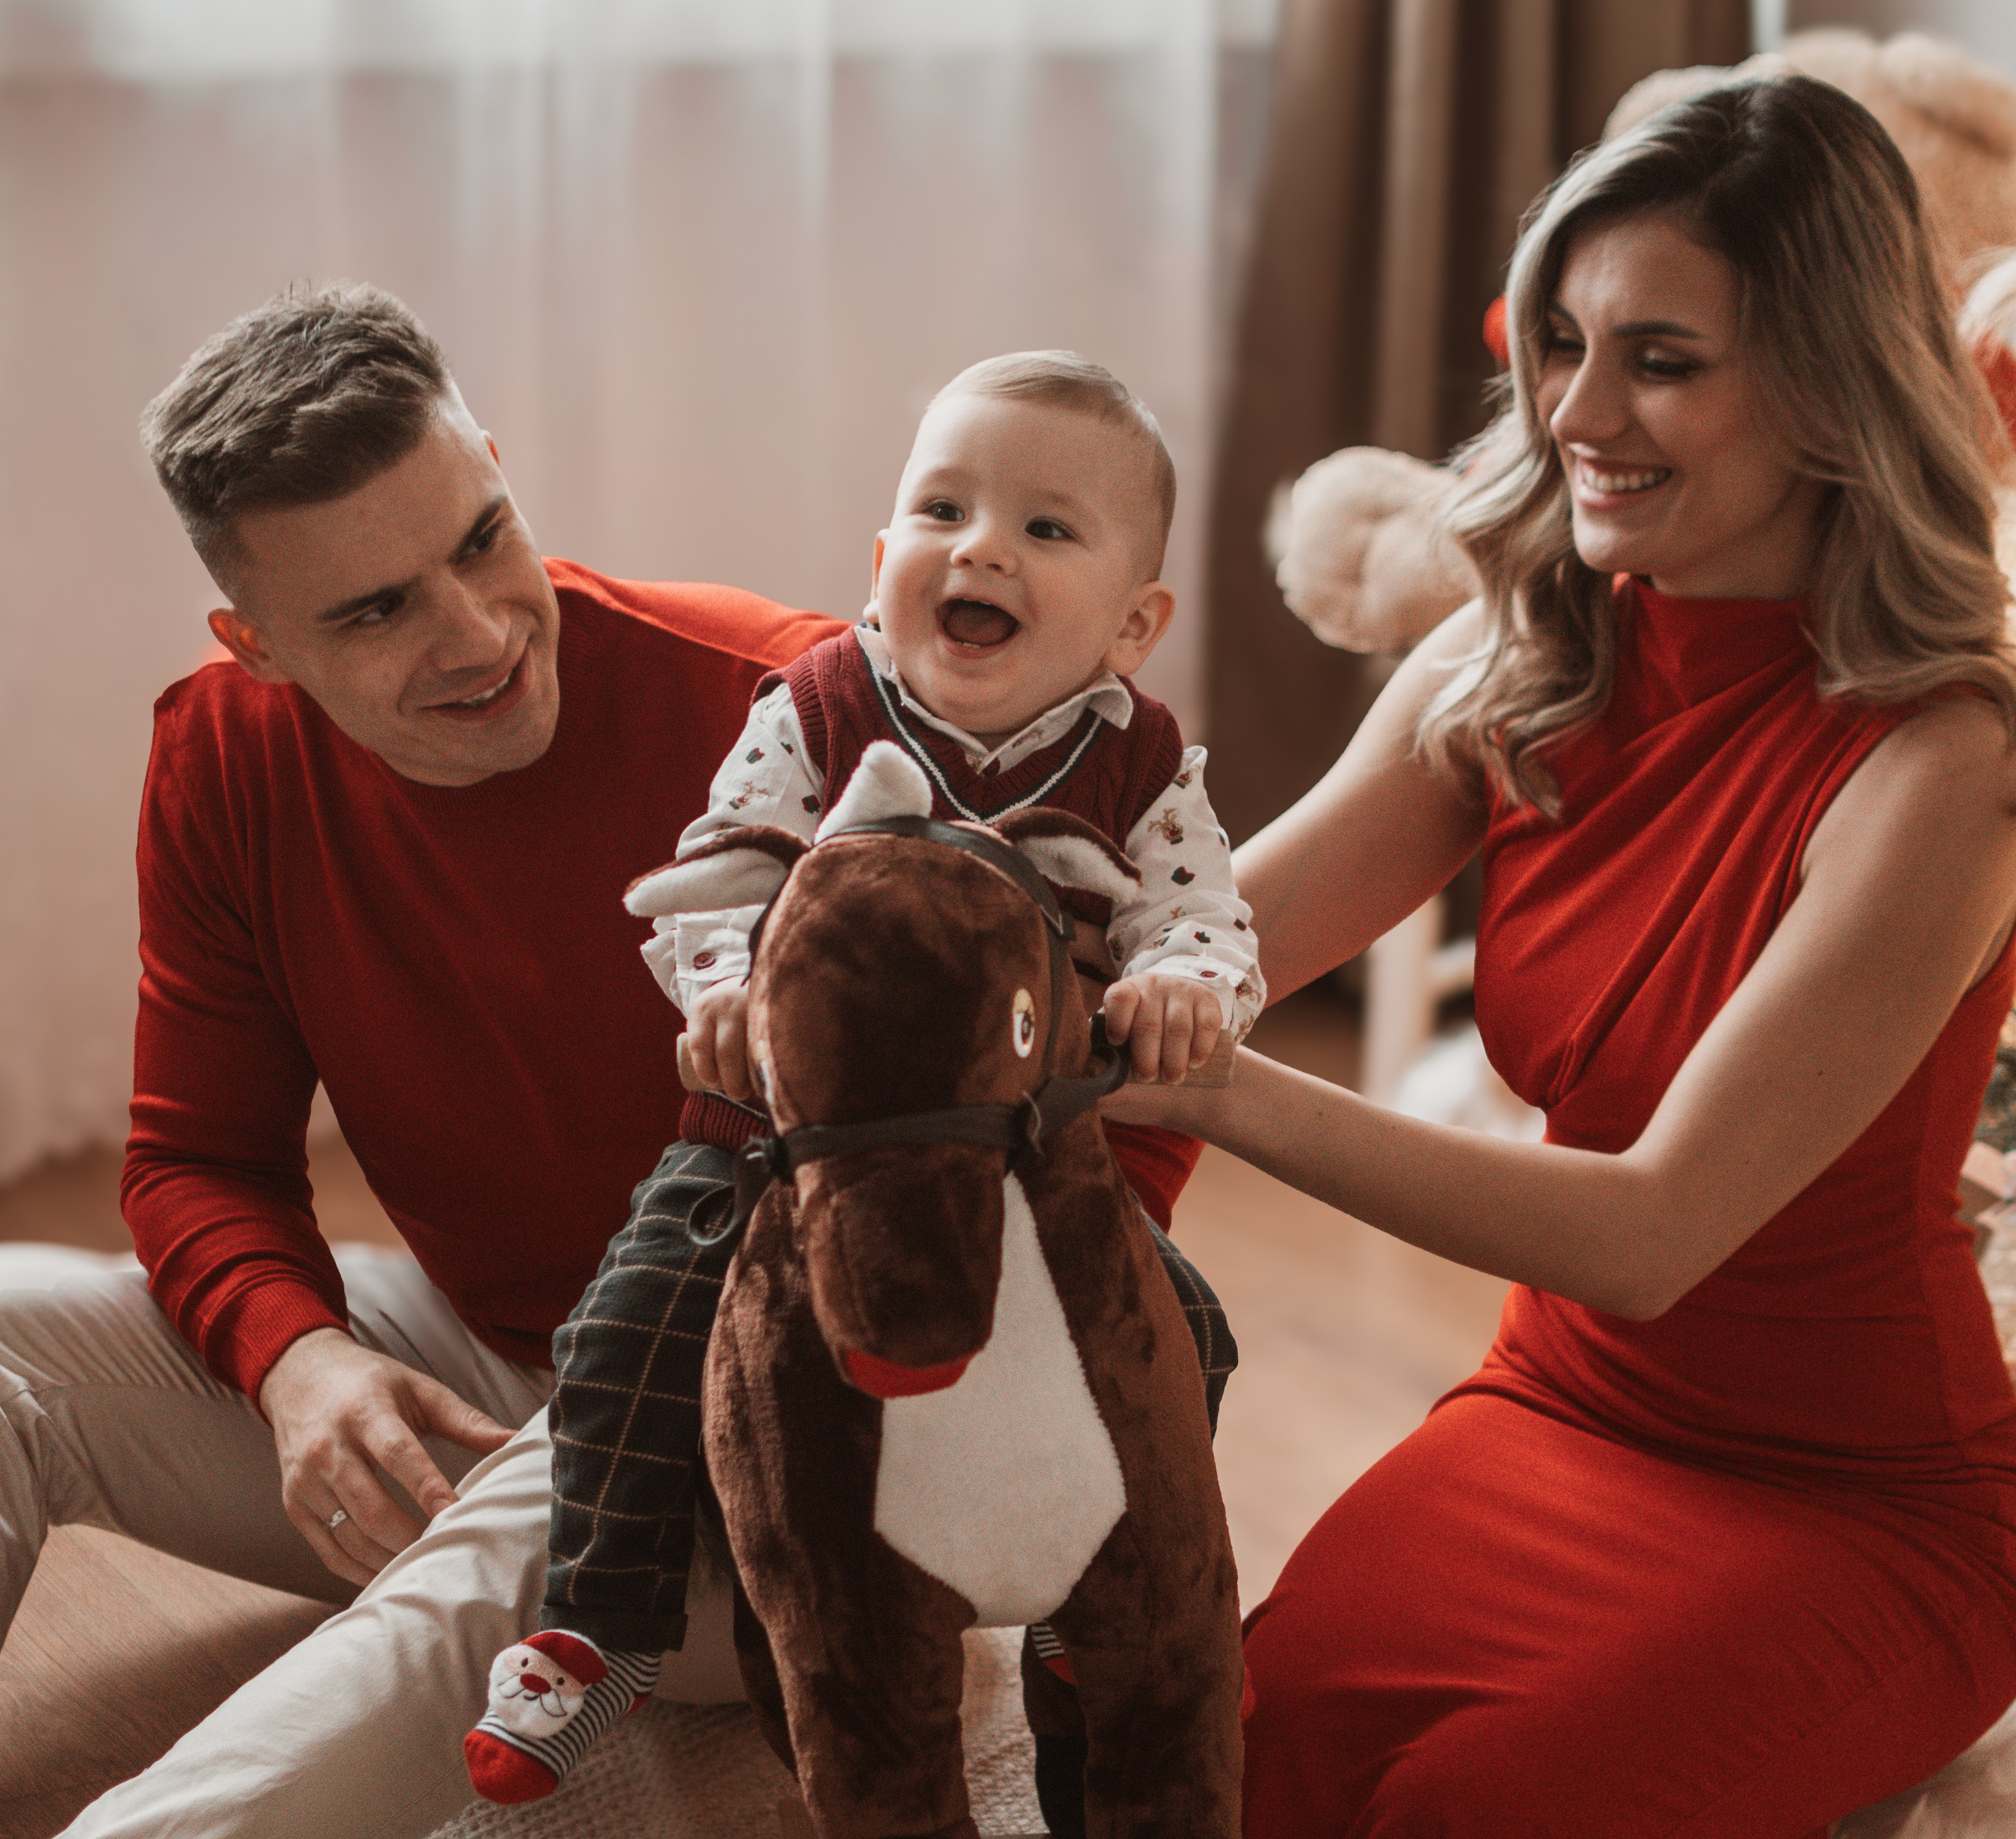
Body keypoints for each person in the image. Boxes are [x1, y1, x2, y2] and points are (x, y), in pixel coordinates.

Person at [1107, 74, 2016, 1835]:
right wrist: (942, 905)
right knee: (1229, 1769)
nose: (1575, 412)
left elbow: (1653, 1230)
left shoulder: (1947, 762)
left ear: (1829, 387)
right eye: (1560, 341)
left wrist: (1211, 1086)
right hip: (1559, 1407)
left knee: (1479, 1810)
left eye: (1661, 359)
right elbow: (1214, 929)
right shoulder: (1522, 652)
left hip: (1861, 1495)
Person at [0, 280, 865, 1838]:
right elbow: (196, 1157)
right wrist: (299, 1359)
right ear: (255, 646)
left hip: (776, 1440)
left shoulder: (786, 712)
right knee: (9, 1332)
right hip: (493, 1361)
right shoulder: (222, 753)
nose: (477, 635)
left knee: (484, 1570)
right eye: (373, 610)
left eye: (480, 537)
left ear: (492, 458)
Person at [461, 352, 1261, 1811]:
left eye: (1046, 529)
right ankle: (600, 1619)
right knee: (629, 1324)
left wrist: (1183, 989)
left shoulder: (1144, 765)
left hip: (1017, 1154)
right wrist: (728, 1002)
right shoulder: (821, 707)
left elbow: (1203, 916)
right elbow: (721, 877)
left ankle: (1115, 1597)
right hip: (781, 1142)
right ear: (883, 559)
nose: (981, 549)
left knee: (1182, 1330)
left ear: (1136, 624)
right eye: (942, 509)